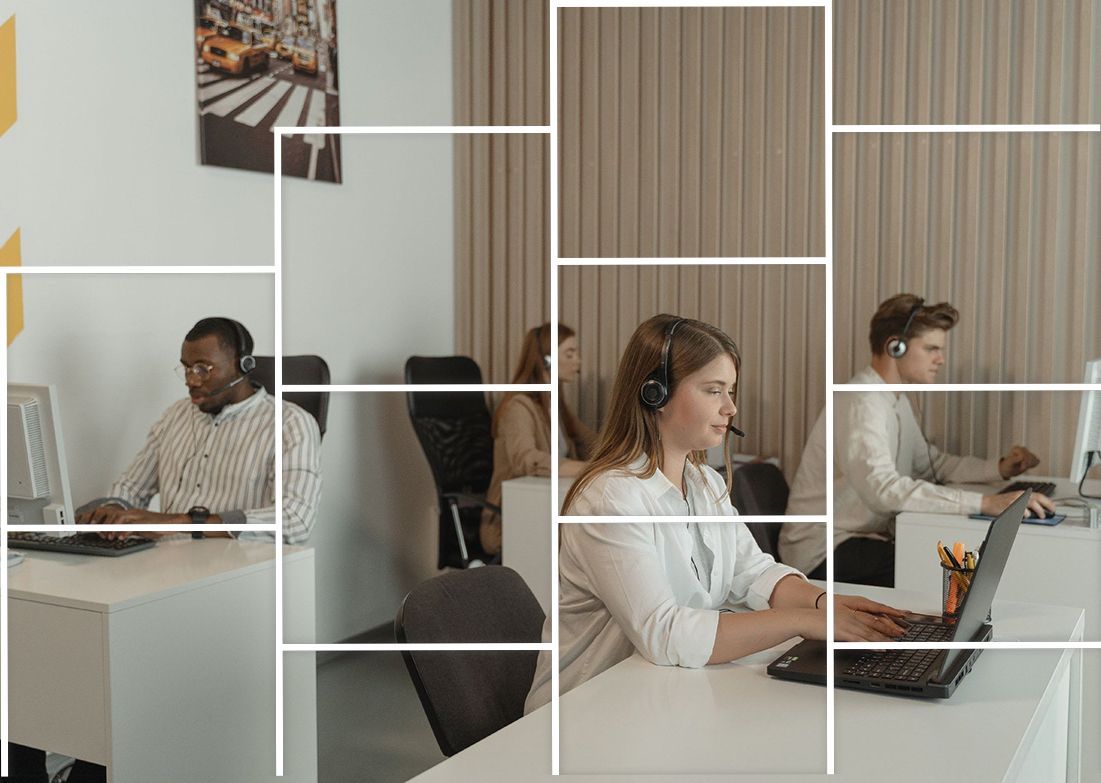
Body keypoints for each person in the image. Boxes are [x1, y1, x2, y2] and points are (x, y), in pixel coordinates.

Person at [525, 314, 906, 711]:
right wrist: (805, 621)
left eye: (730, 391)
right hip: (583, 710)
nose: (731, 407)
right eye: (714, 391)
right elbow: (664, 633)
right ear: (655, 393)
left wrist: (824, 603)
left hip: (660, 694)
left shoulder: (704, 482)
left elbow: (752, 572)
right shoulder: (610, 500)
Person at [7, 318, 323, 783]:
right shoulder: (175, 417)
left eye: (204, 368)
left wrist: (172, 522)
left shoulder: (291, 424)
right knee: (49, 655)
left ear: (243, 365)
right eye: (185, 368)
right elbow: (128, 489)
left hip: (235, 593)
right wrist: (109, 511)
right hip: (162, 582)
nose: (192, 380)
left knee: (113, 673)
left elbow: (293, 520)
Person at [779, 294, 1054, 586]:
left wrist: (999, 469)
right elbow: (883, 489)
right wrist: (984, 503)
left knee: (955, 565)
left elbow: (932, 464)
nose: (941, 359)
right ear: (894, 347)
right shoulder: (861, 401)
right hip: (823, 550)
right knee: (946, 572)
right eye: (931, 348)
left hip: (859, 537)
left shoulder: (896, 401)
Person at [480, 322, 595, 556]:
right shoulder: (519, 406)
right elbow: (526, 459)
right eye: (570, 354)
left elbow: (590, 441)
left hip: (544, 507)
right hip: (511, 518)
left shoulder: (555, 405)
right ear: (546, 360)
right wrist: (586, 469)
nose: (578, 362)